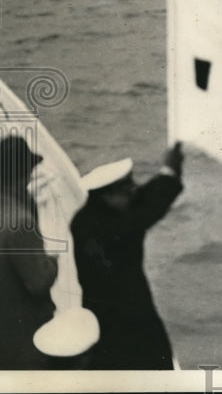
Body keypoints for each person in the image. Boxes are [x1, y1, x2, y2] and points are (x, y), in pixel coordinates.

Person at [71, 143, 184, 369]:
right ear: (107, 196)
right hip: (124, 318)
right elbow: (146, 210)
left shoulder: (89, 215)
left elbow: (141, 198)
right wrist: (170, 173)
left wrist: (168, 171)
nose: (134, 190)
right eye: (127, 188)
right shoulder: (111, 229)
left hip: (104, 316)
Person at [0, 136, 58, 370]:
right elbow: (39, 283)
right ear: (26, 174)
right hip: (21, 351)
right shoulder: (21, 222)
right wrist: (52, 262)